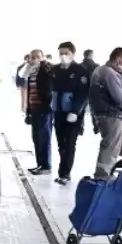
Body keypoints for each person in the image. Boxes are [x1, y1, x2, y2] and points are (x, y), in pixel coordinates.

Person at [51, 41, 91, 186]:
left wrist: (75, 111)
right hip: (58, 112)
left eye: (66, 53)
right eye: (61, 53)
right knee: (61, 143)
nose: (63, 56)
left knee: (69, 143)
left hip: (73, 114)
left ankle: (65, 173)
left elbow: (83, 93)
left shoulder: (81, 70)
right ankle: (63, 170)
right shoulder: (55, 70)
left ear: (73, 54)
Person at [90, 47, 122, 179]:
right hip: (112, 115)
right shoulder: (110, 73)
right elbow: (120, 98)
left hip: (102, 114)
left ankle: (103, 173)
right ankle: (103, 175)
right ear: (119, 60)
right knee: (111, 147)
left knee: (108, 144)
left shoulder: (100, 70)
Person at [24, 49, 55, 175]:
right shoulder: (31, 71)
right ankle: (40, 164)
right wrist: (28, 111)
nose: (35, 59)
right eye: (33, 57)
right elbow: (29, 92)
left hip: (44, 108)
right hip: (34, 108)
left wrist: (48, 103)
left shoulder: (46, 69)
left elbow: (51, 84)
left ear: (42, 57)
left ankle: (46, 166)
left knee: (44, 137)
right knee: (36, 138)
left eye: (38, 56)